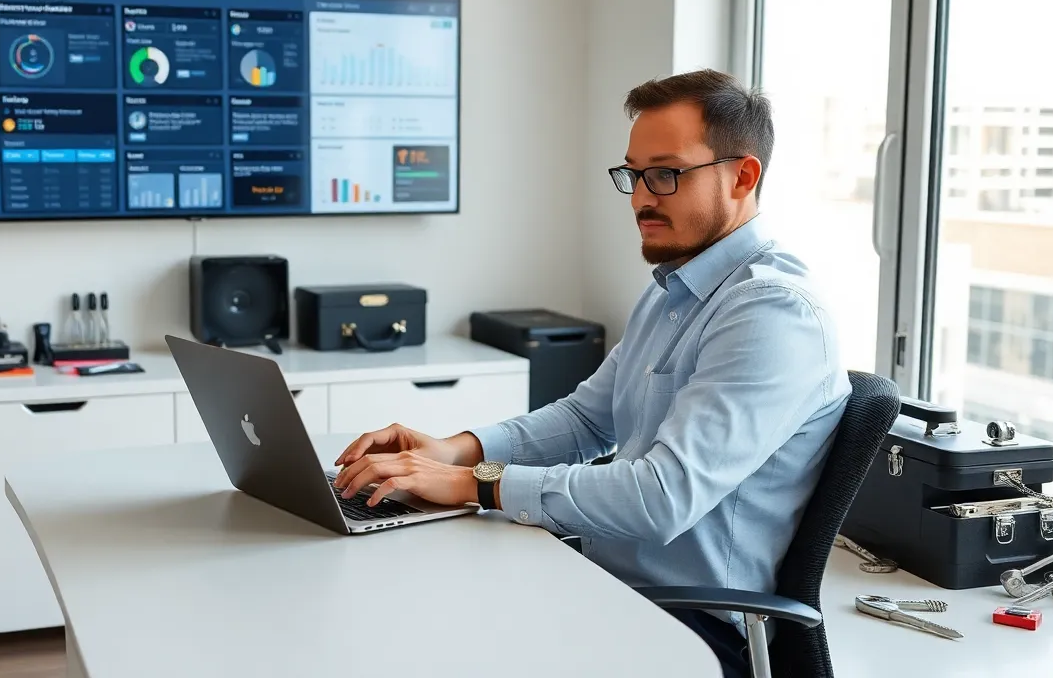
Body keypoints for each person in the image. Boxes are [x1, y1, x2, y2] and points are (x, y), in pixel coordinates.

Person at [332, 68, 850, 678]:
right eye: (632, 175)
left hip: (690, 631)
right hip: (603, 585)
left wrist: (478, 482)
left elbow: (662, 497)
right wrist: (453, 451)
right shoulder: (677, 286)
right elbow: (586, 418)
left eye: (665, 174)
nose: (639, 198)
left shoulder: (772, 313)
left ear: (743, 175)